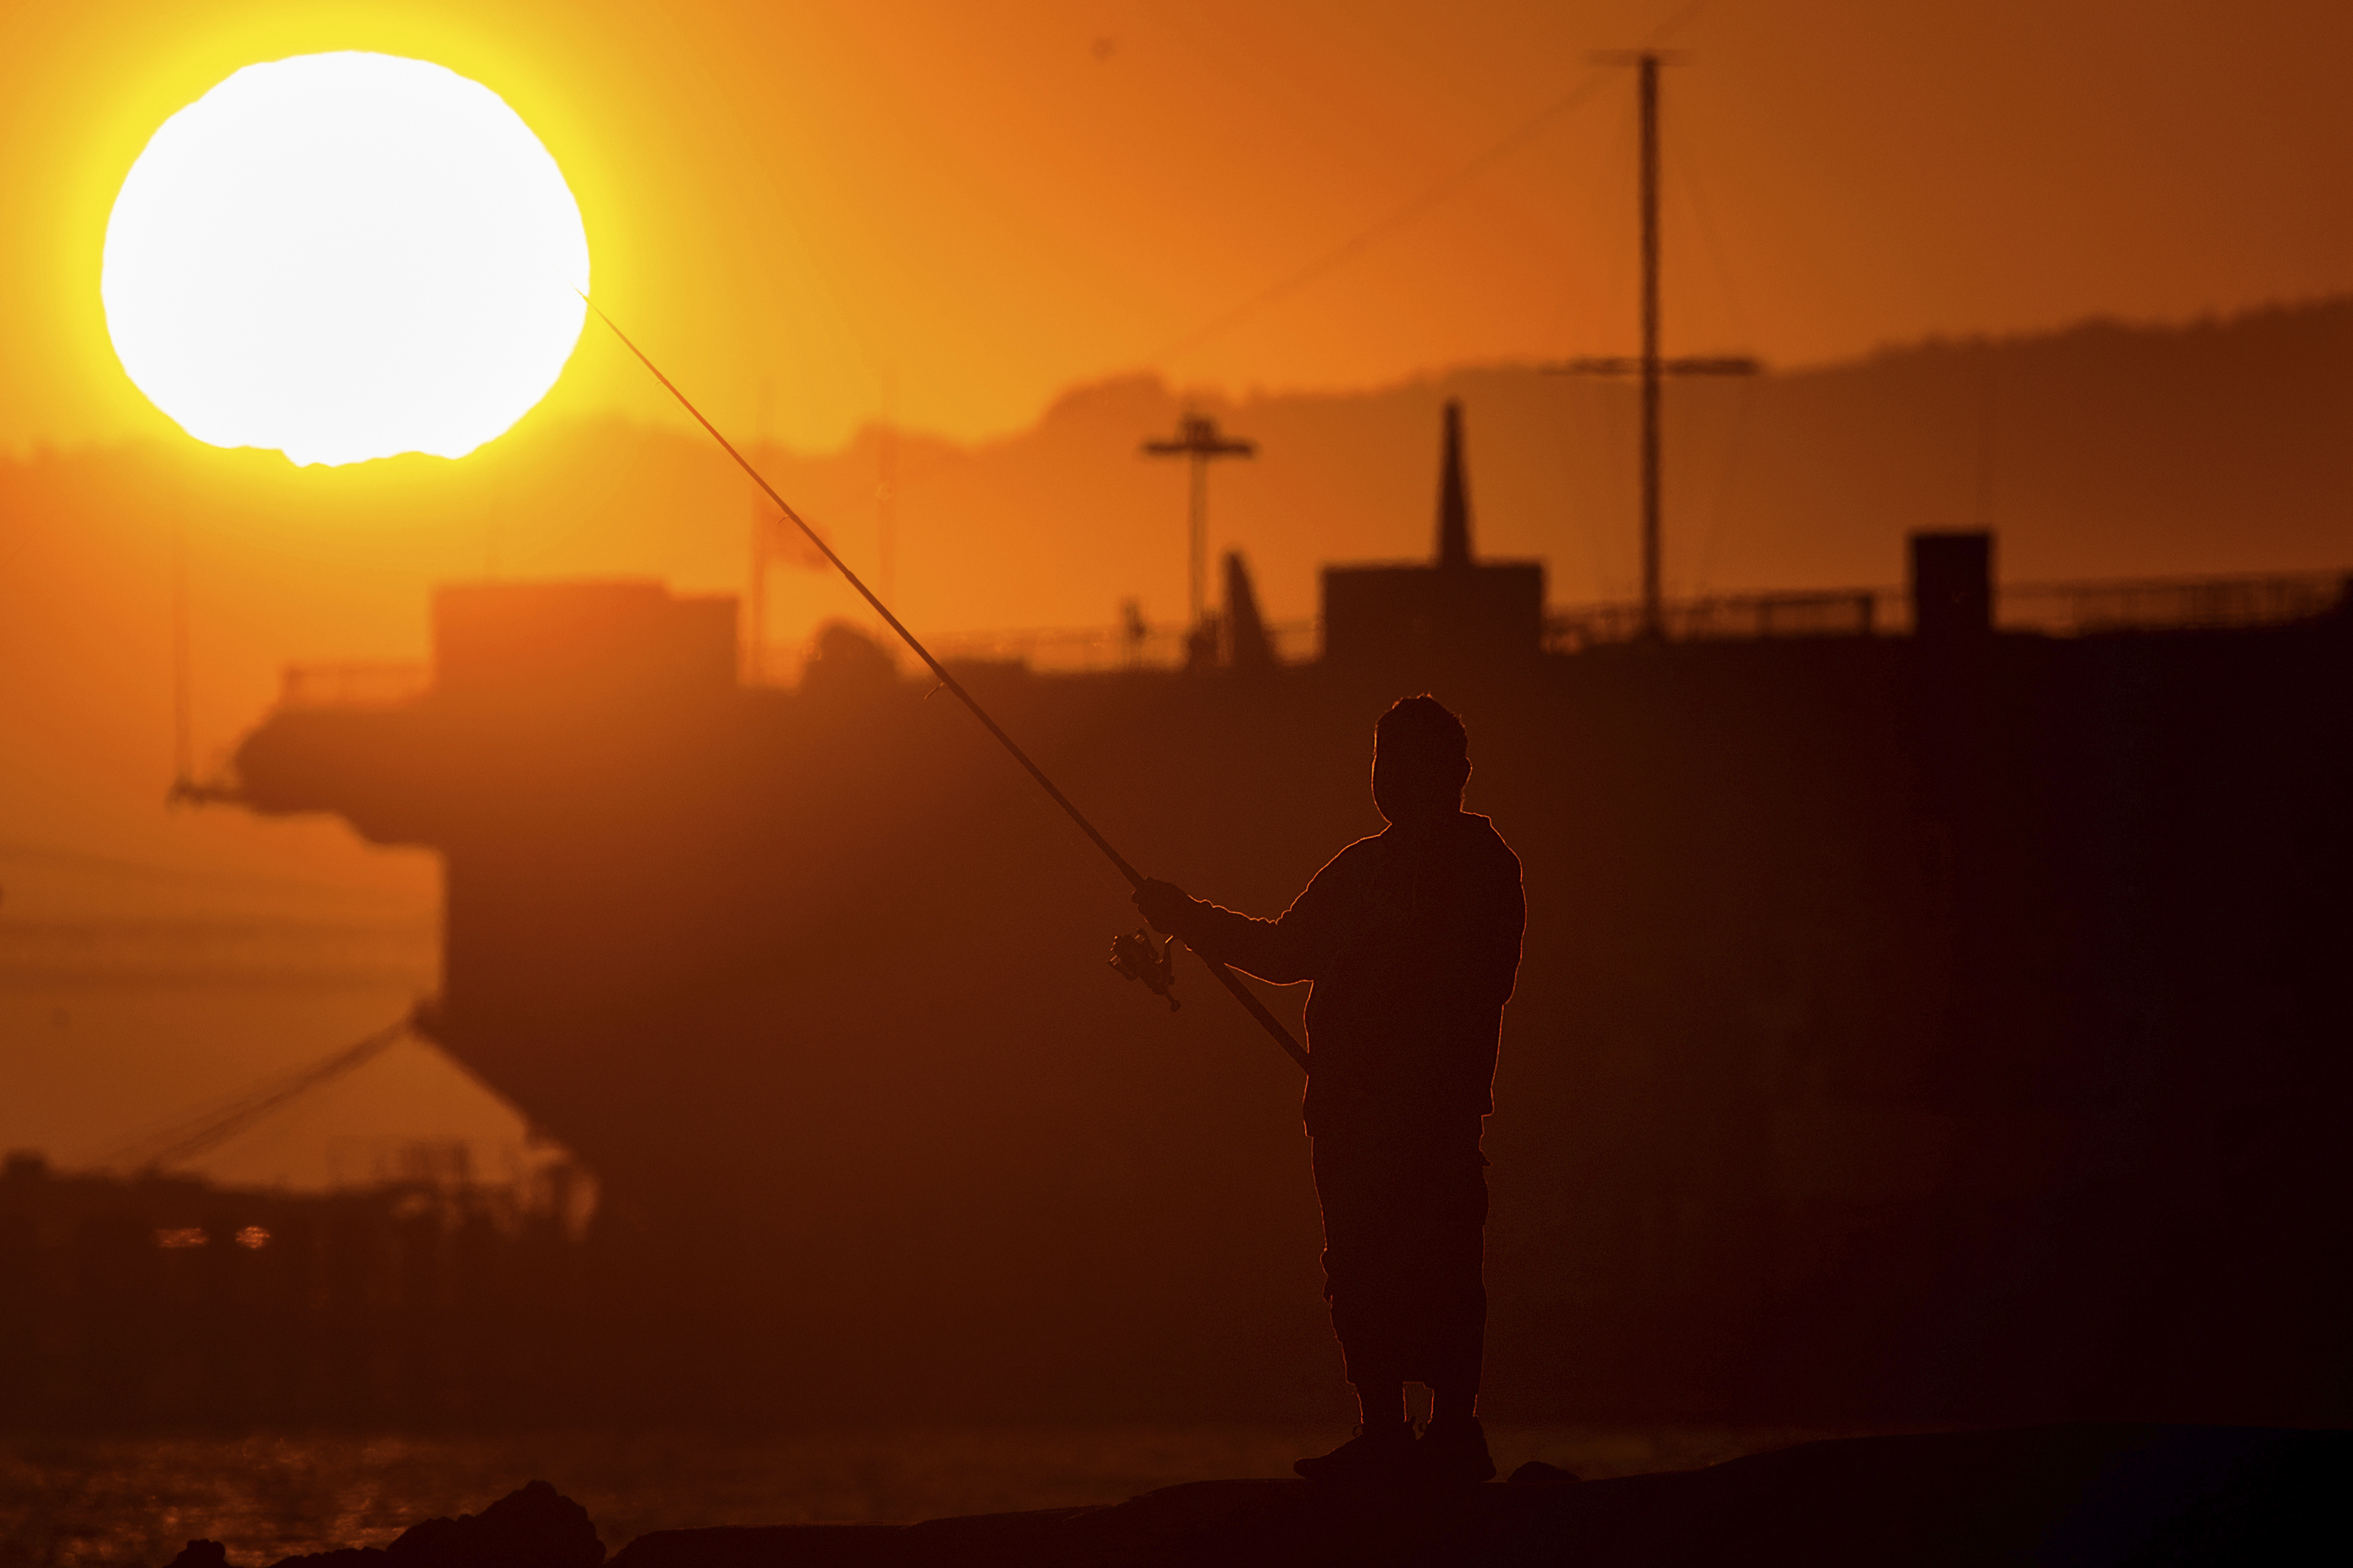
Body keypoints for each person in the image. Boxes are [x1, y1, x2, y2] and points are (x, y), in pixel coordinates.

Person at [1135, 694, 1524, 1483]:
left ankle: (1454, 1430)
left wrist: (1398, 1063)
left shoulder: (1484, 867)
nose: (1390, 780)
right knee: (1355, 1266)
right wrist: (1188, 917)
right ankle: (1381, 1430)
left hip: (1432, 1114)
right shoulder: (1359, 867)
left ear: (1456, 773)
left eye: (1408, 763)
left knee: (1443, 1263)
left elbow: (1476, 981)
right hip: (1345, 1113)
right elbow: (1285, 950)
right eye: (1382, 763)